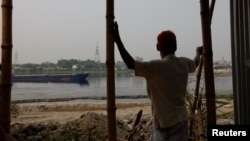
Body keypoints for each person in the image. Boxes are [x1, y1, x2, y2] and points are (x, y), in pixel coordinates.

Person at [111, 21, 202, 141]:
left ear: (158, 47)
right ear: (175, 47)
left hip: (164, 125)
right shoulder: (184, 63)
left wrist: (117, 40)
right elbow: (195, 63)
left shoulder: (155, 67)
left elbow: (130, 63)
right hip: (182, 120)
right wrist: (198, 52)